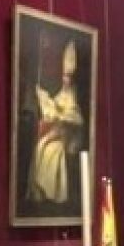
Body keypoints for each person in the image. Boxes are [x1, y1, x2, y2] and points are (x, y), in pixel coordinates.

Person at [26, 40, 84, 204]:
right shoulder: (62, 93)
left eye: (69, 76)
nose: (66, 79)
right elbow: (54, 109)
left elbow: (77, 119)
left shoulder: (73, 95)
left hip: (67, 138)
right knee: (40, 147)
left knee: (50, 151)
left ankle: (53, 192)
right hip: (55, 133)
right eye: (64, 75)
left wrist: (61, 117)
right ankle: (39, 191)